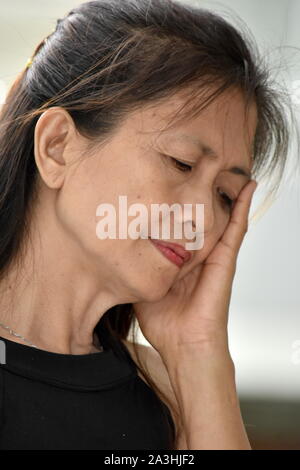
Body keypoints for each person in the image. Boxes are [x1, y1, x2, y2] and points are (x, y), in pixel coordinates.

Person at [0, 0, 292, 450]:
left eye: (225, 196)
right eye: (181, 163)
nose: (202, 218)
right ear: (58, 147)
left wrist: (197, 354)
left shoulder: (171, 394)